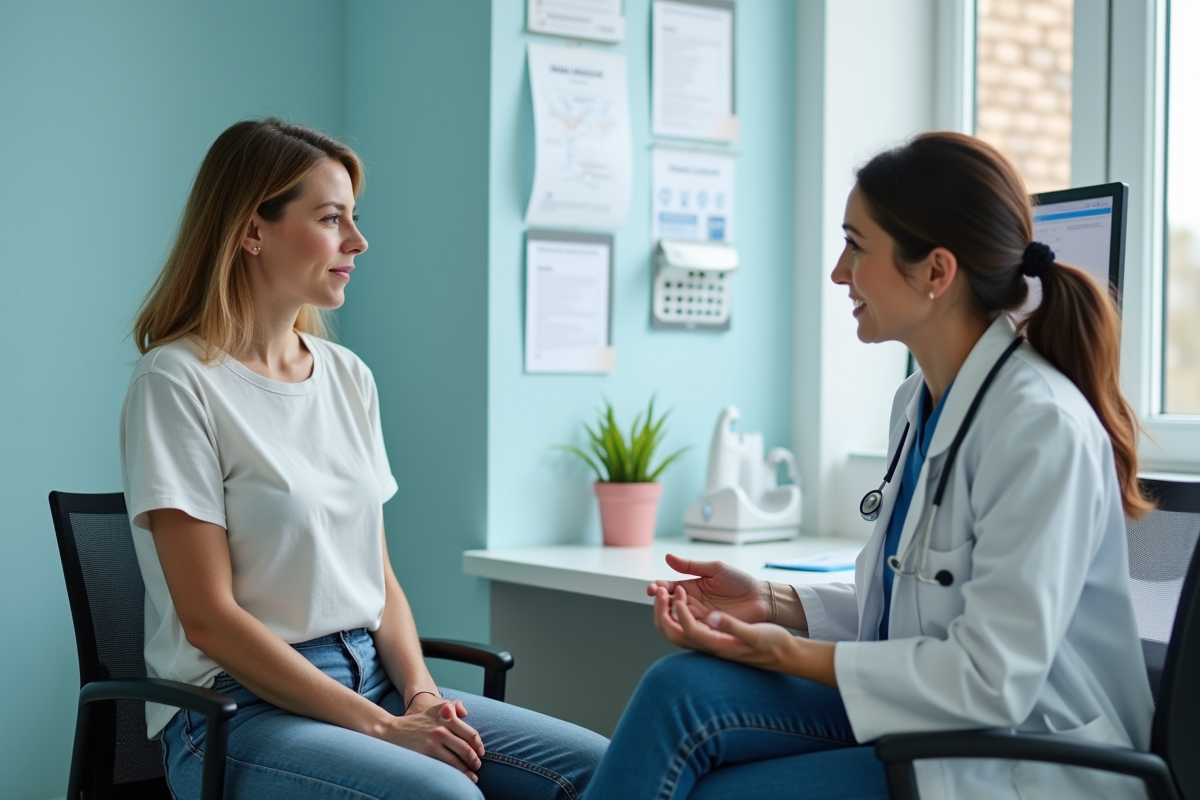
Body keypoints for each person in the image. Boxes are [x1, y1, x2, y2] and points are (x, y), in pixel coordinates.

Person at [581, 132, 1155, 800]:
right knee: (677, 689)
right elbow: (912, 611)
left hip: (1023, 758)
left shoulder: (1039, 427)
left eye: (856, 245)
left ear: (937, 273)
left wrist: (780, 650)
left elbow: (990, 679)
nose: (837, 272)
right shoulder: (919, 401)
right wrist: (773, 603)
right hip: (936, 719)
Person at [120, 118, 607, 800]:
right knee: (445, 797)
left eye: (354, 218)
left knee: (606, 770)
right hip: (237, 711)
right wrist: (382, 731)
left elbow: (377, 581)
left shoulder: (348, 377)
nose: (358, 241)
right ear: (251, 230)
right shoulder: (175, 383)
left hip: (373, 676)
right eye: (331, 218)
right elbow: (207, 618)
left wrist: (421, 697)